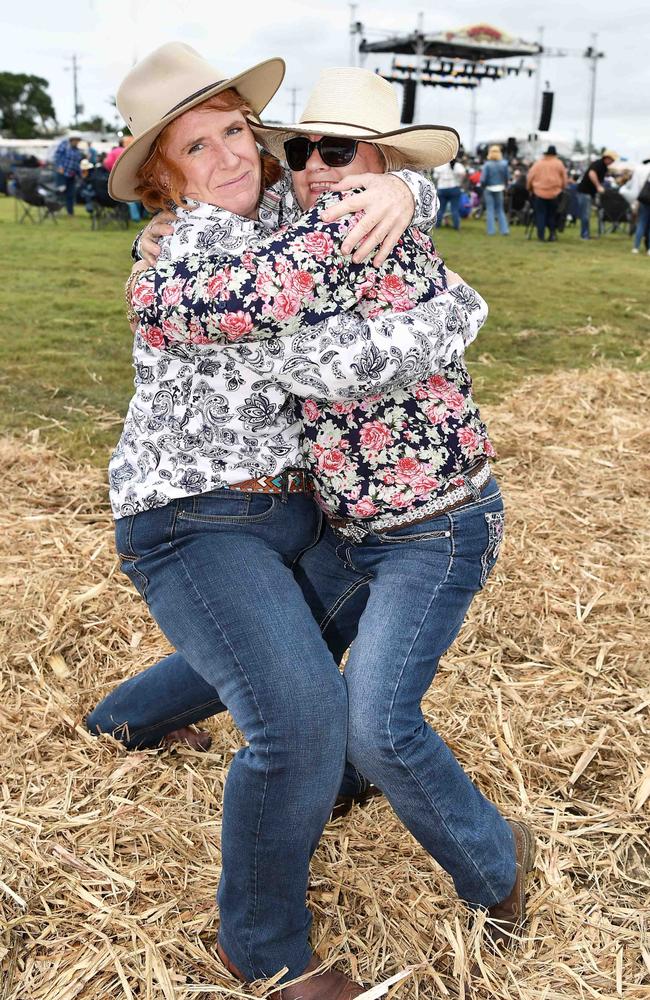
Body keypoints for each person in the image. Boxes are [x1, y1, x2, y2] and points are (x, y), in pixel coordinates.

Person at [99, 56, 533, 991]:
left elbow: (359, 207)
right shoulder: (183, 259)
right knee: (299, 716)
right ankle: (269, 956)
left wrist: (410, 190)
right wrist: (456, 304)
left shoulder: (289, 217)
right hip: (193, 516)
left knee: (285, 658)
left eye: (235, 132)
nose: (231, 156)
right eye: (194, 145)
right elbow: (311, 341)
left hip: (307, 509)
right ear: (164, 178)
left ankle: (124, 721)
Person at [526, 145, 568, 242]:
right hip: (554, 193)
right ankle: (552, 234)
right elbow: (564, 179)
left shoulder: (538, 164)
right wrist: (562, 188)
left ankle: (541, 236)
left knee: (540, 214)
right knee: (552, 214)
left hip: (539, 192)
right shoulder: (559, 164)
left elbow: (530, 177)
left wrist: (529, 188)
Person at [576, 149, 618, 239]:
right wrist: (598, 186)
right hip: (584, 192)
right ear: (607, 158)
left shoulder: (603, 167)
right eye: (612, 159)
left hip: (589, 193)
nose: (613, 162)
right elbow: (592, 173)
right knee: (585, 215)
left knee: (586, 215)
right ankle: (584, 235)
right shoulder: (598, 164)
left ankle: (585, 234)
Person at [620, 157, 650, 255]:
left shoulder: (639, 170)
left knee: (641, 223)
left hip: (642, 199)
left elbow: (634, 187)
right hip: (645, 199)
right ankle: (649, 249)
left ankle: (636, 247)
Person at [480, 145, 509, 236]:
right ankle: (504, 230)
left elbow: (483, 179)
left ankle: (491, 231)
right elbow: (507, 177)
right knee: (500, 209)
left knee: (490, 209)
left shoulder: (487, 164)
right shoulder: (504, 163)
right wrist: (505, 185)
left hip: (488, 188)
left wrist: (483, 186)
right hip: (500, 188)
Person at [52, 130, 83, 215]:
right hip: (62, 174)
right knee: (60, 192)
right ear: (71, 139)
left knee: (71, 194)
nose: (77, 142)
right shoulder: (64, 145)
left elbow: (77, 164)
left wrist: (80, 175)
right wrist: (60, 166)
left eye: (78, 140)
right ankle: (55, 210)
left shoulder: (77, 151)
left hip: (71, 175)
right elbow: (57, 156)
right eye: (75, 140)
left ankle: (70, 212)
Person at [433, 156, 466, 230]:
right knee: (454, 209)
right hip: (454, 188)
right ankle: (457, 226)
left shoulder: (440, 166)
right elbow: (463, 174)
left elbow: (435, 177)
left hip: (442, 188)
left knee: (441, 209)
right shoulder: (458, 165)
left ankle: (437, 225)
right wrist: (460, 181)